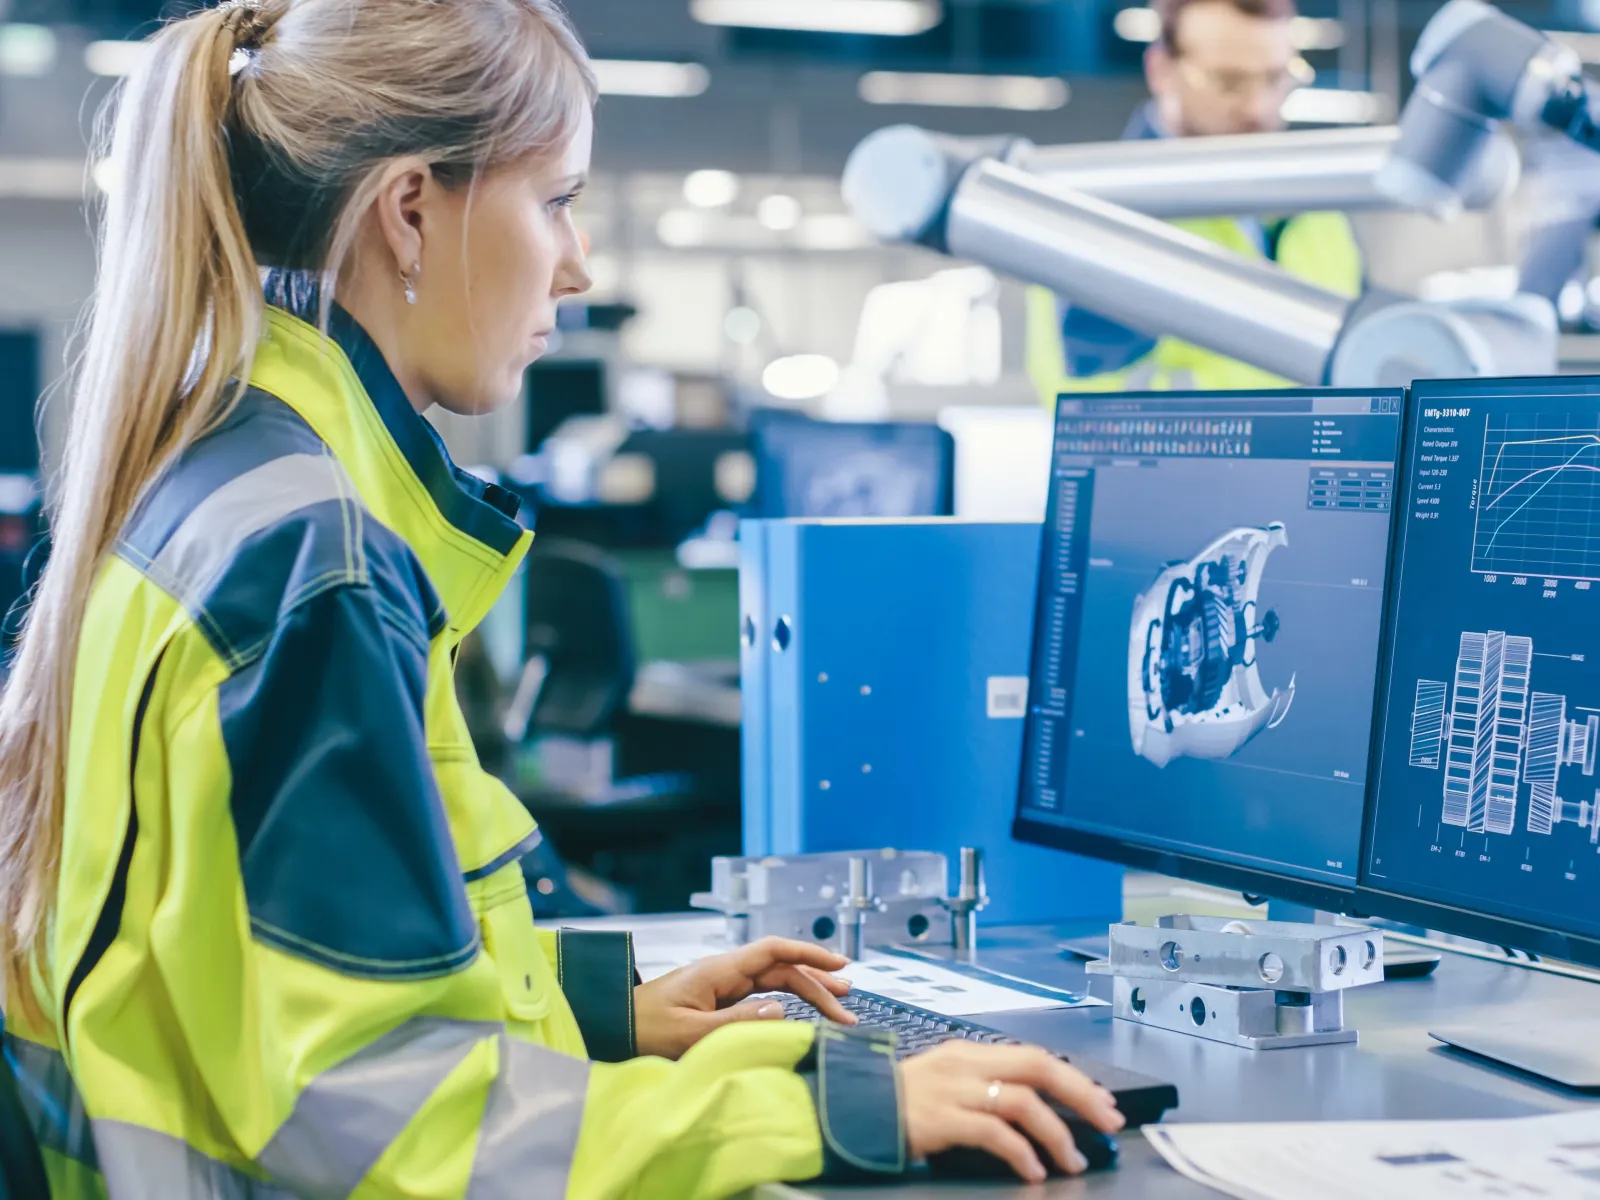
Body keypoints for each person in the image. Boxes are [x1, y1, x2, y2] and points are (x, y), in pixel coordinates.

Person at [0, 1, 1125, 1196]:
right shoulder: (315, 559)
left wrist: (605, 1010)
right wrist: (845, 1106)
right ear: (412, 210)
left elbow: (276, 969)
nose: (578, 265)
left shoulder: (227, 477)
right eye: (557, 201)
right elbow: (379, 1113)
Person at [1026, 0, 1364, 400]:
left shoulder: (1319, 213)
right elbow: (1087, 404)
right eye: (1228, 82)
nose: (1258, 108)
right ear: (1161, 71)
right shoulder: (1104, 217)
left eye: (1275, 78)